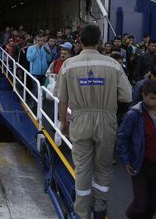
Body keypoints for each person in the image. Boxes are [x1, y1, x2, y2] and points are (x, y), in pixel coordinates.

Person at [56, 24, 132, 219]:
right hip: (106, 119)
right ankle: (100, 206)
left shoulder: (68, 65)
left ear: (80, 41)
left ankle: (81, 211)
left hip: (79, 119)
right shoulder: (113, 64)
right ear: (99, 42)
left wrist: (63, 122)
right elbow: (126, 96)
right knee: (104, 166)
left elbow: (62, 98)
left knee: (82, 166)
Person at [117, 82, 156, 219]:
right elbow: (122, 138)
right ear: (144, 96)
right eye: (153, 98)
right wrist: (126, 161)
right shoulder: (133, 115)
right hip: (140, 165)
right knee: (141, 202)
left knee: (153, 201)